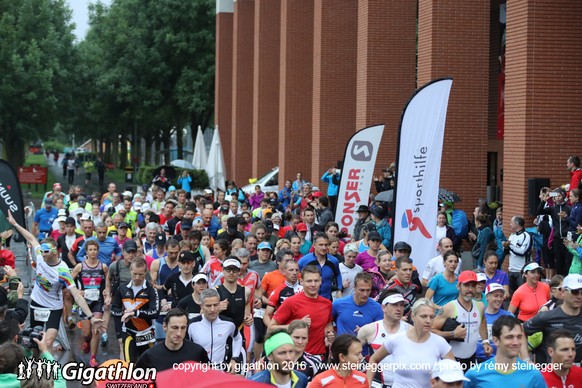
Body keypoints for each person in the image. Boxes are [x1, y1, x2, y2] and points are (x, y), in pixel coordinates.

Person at [6, 211, 104, 351]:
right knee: (34, 340)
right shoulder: (40, 256)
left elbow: (76, 295)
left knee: (48, 340)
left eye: (46, 252)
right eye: (42, 251)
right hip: (37, 304)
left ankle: (47, 367)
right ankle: (36, 366)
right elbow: (31, 238)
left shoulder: (62, 270)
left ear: (54, 251)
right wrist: (15, 224)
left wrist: (91, 317)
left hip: (53, 308)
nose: (42, 254)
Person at [367, 299, 454, 388]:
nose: (428, 321)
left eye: (431, 317)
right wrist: (368, 384)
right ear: (413, 316)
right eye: (423, 316)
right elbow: (374, 359)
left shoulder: (440, 343)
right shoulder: (396, 340)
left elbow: (454, 371)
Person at [270, 265, 334, 359]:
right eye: (309, 281)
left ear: (320, 281)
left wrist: (329, 334)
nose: (313, 284)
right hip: (297, 357)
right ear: (301, 282)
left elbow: (328, 324)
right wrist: (296, 325)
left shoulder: (327, 303)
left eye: (316, 281)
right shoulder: (291, 302)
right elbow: (271, 328)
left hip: (321, 355)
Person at [432, 271, 493, 370]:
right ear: (458, 286)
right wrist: (452, 334)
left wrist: (485, 342)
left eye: (473, 286)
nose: (470, 289)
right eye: (466, 285)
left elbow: (482, 322)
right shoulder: (448, 308)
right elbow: (431, 331)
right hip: (452, 360)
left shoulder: (480, 306)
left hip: (472, 359)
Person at [464, 316, 546, 388]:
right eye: (509, 337)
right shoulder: (475, 375)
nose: (516, 342)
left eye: (519, 337)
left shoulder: (533, 375)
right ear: (496, 340)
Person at [523, 273, 582, 364]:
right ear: (563, 292)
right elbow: (520, 330)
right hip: (552, 372)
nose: (579, 296)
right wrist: (526, 359)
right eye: (575, 292)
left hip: (577, 374)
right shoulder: (547, 317)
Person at [110, 257, 160, 362]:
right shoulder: (122, 288)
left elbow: (155, 311)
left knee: (147, 367)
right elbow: (113, 308)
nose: (137, 277)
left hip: (146, 333)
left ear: (145, 272)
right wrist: (123, 314)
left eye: (141, 274)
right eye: (134, 274)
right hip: (129, 332)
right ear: (130, 271)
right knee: (129, 366)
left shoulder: (151, 289)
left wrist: (135, 313)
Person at [357, 291, 410, 387]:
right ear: (383, 307)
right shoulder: (369, 329)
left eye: (401, 305)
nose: (399, 309)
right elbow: (353, 352)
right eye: (394, 305)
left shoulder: (411, 331)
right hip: (376, 384)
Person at [71, 239, 108, 366]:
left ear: (98, 251)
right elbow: (69, 281)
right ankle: (86, 341)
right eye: (90, 250)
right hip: (84, 302)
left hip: (97, 301)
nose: (93, 252)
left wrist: (106, 292)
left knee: (96, 330)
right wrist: (78, 292)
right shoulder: (80, 266)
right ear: (86, 251)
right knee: (86, 333)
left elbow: (107, 283)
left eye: (95, 250)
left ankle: (93, 357)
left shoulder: (103, 267)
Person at [136, 308, 209, 371]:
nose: (179, 333)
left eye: (183, 328)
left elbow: (210, 378)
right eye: (175, 328)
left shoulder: (198, 352)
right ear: (165, 326)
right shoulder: (150, 356)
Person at [188, 288, 242, 370]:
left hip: (220, 370)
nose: (212, 309)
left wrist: (235, 358)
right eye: (208, 306)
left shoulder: (229, 323)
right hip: (199, 370)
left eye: (215, 305)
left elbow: (238, 338)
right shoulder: (192, 325)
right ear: (201, 306)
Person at [332, 272, 382, 336]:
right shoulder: (338, 304)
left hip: (364, 345)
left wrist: (366, 332)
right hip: (342, 345)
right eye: (362, 290)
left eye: (368, 290)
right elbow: (327, 323)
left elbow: (380, 333)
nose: (365, 294)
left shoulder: (377, 308)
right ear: (354, 288)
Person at [475, 283, 515, 363]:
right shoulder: (477, 314)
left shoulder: (509, 316)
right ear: (487, 297)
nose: (499, 299)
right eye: (496, 296)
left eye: (501, 296)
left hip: (501, 360)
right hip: (478, 359)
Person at [298, 234, 342, 301]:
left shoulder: (333, 261)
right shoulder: (304, 260)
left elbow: (338, 274)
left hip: (327, 299)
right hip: (308, 300)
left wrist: (339, 289)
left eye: (326, 245)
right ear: (314, 245)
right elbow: (296, 275)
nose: (324, 248)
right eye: (320, 245)